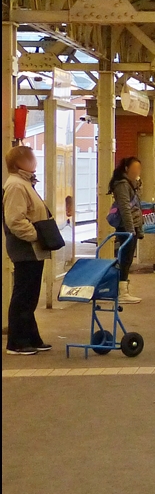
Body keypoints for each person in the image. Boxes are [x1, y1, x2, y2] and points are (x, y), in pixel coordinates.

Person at [2, 146, 52, 354]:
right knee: (23, 294)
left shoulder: (25, 183)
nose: (34, 161)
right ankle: (17, 342)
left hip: (32, 248)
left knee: (30, 294)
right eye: (29, 158)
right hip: (25, 247)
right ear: (18, 163)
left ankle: (31, 337)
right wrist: (36, 235)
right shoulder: (15, 185)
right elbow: (14, 220)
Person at [108, 156, 145, 304]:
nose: (137, 171)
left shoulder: (131, 185)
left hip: (132, 226)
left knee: (127, 259)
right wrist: (131, 230)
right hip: (126, 227)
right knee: (125, 259)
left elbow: (137, 206)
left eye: (139, 169)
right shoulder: (122, 185)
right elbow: (125, 208)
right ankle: (122, 291)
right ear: (126, 169)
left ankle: (122, 289)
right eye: (135, 168)